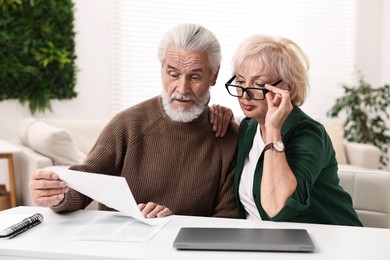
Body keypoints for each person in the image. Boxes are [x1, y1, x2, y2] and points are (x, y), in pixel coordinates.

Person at [29, 23, 238, 219]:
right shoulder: (127, 125)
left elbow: (226, 222)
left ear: (214, 75)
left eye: (194, 77)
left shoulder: (227, 138)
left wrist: (171, 224)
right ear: (162, 69)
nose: (182, 89)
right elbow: (84, 186)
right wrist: (56, 194)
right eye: (173, 74)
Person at [225, 35, 362, 226]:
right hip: (267, 241)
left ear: (287, 88)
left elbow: (278, 209)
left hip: (329, 241)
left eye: (258, 84)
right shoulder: (248, 127)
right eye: (240, 81)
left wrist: (273, 129)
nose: (245, 95)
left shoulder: (309, 133)